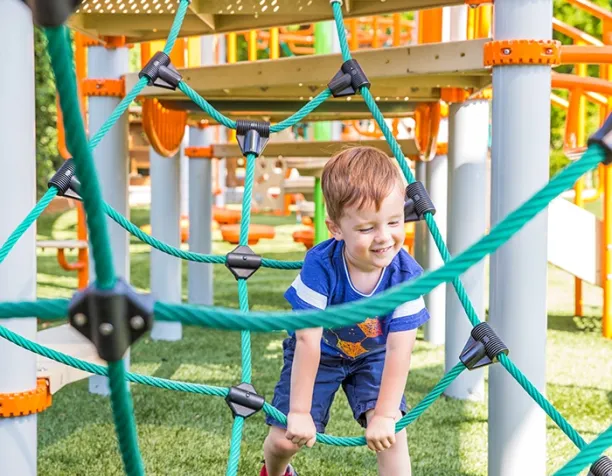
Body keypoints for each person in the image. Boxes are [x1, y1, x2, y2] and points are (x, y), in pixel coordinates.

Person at [260, 146, 430, 476]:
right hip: (321, 351)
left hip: (374, 356)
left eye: (394, 222)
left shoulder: (407, 276)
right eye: (367, 228)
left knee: (393, 436)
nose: (384, 238)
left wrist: (383, 414)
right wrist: (298, 411)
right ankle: (277, 471)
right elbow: (307, 341)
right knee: (283, 441)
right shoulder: (320, 266)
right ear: (336, 228)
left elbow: (400, 350)